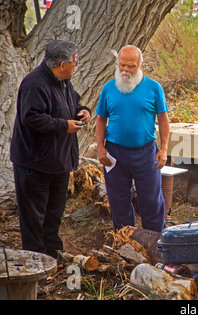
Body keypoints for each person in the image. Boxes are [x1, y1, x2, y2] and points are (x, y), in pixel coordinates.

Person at [10, 40, 91, 259]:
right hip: (34, 164)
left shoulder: (64, 80)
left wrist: (83, 111)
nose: (77, 64)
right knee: (34, 216)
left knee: (54, 212)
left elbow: (71, 104)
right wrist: (64, 125)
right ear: (62, 64)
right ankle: (35, 260)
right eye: (75, 61)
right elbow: (31, 117)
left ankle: (54, 255)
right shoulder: (34, 84)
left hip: (59, 162)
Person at [96, 45, 170, 232]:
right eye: (122, 65)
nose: (125, 70)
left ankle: (155, 243)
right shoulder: (109, 88)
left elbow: (163, 119)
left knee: (151, 200)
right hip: (115, 152)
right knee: (118, 200)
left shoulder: (154, 88)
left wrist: (164, 149)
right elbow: (100, 119)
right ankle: (125, 243)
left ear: (141, 64)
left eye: (131, 66)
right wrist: (100, 147)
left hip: (146, 152)